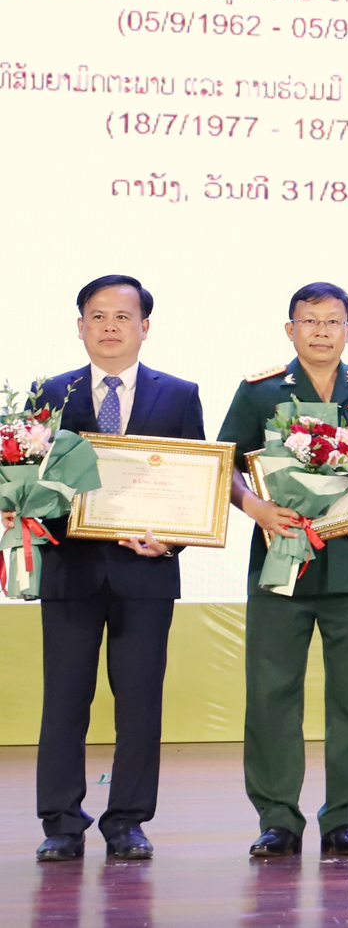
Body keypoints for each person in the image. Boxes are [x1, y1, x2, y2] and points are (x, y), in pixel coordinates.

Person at [217, 281, 348, 858]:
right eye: (310, 321)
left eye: (333, 322)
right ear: (291, 329)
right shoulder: (259, 392)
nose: (322, 331)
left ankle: (344, 819)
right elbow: (223, 465)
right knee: (271, 692)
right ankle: (277, 818)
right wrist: (254, 506)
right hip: (281, 564)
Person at [10, 276, 204, 862]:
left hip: (145, 574)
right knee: (65, 700)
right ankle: (61, 822)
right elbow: (27, 478)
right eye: (98, 316)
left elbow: (196, 487)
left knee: (140, 702)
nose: (110, 326)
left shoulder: (178, 394)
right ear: (80, 326)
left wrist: (168, 543)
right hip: (70, 570)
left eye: (123, 316)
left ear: (145, 326)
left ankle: (127, 821)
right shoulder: (49, 393)